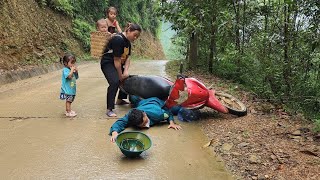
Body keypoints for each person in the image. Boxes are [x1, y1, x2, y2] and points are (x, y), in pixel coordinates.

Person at [100, 23, 142, 117]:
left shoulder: (128, 43)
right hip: (108, 63)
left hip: (118, 63)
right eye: (134, 35)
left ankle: (120, 100)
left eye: (137, 37)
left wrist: (125, 72)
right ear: (129, 30)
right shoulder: (118, 39)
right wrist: (120, 76)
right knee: (115, 82)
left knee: (127, 78)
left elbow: (128, 58)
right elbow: (117, 60)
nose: (135, 38)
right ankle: (109, 109)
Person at [109, 96, 182, 142]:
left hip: (156, 101)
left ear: (145, 114)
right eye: (141, 125)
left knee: (178, 109)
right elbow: (120, 122)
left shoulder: (158, 114)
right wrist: (114, 132)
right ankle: (140, 98)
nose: (144, 126)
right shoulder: (132, 115)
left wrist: (172, 123)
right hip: (142, 103)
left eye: (145, 122)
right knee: (132, 97)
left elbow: (168, 113)